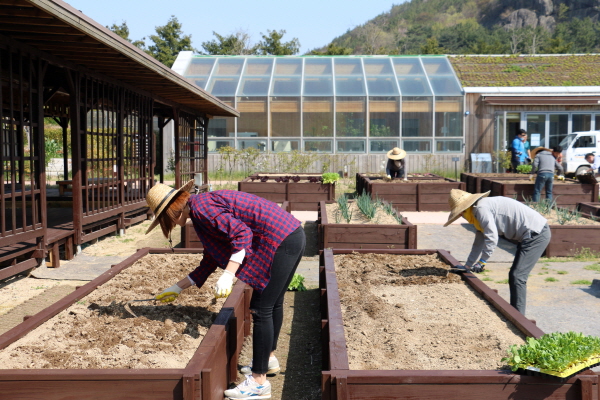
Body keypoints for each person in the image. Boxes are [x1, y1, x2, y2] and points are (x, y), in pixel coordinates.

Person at [145, 181, 306, 400]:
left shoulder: (202, 209)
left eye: (165, 219)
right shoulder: (200, 210)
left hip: (281, 241)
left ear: (172, 210)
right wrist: (177, 288)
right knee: (272, 303)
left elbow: (241, 235)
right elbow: (210, 259)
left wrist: (229, 274)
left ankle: (258, 382)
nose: (170, 224)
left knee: (260, 308)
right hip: (290, 235)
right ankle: (267, 361)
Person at [444, 189, 551, 315]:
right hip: (529, 234)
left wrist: (482, 261)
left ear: (464, 209)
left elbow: (492, 237)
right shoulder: (478, 210)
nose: (461, 217)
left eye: (460, 214)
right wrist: (467, 266)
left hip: (536, 234)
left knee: (517, 276)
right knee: (516, 275)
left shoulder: (481, 209)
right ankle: (516, 314)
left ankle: (519, 317)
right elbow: (479, 242)